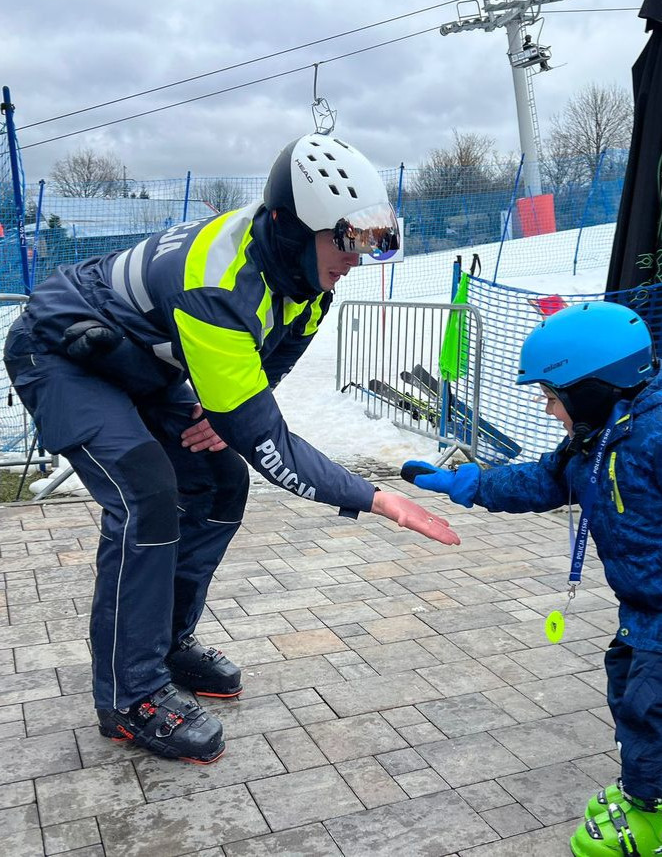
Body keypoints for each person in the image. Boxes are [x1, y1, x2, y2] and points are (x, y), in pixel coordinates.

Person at [4, 133, 459, 765]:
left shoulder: (309, 278)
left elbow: (275, 360)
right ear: (290, 227)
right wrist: (373, 495)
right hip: (61, 351)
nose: (355, 260)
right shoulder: (218, 284)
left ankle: (165, 644)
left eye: (368, 243)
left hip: (133, 358)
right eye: (345, 241)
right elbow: (269, 444)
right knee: (147, 496)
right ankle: (129, 697)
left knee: (219, 482)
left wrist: (231, 410)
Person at [401, 301, 662, 856]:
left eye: (552, 398)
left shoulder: (654, 437)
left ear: (591, 389)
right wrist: (467, 484)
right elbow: (544, 482)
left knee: (650, 707)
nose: (548, 411)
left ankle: (652, 816)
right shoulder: (597, 438)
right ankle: (647, 793)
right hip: (641, 608)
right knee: (628, 695)